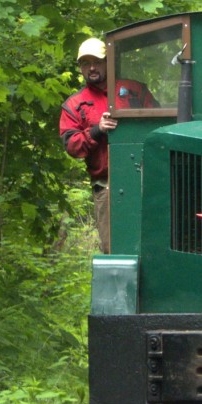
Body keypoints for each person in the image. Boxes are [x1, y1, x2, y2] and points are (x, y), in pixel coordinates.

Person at [60, 37, 157, 253]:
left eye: (97, 61)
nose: (92, 68)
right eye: (85, 63)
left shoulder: (135, 90)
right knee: (114, 249)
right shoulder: (74, 105)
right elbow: (72, 146)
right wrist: (97, 130)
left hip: (149, 181)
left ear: (108, 61)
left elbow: (159, 127)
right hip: (107, 187)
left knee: (155, 244)